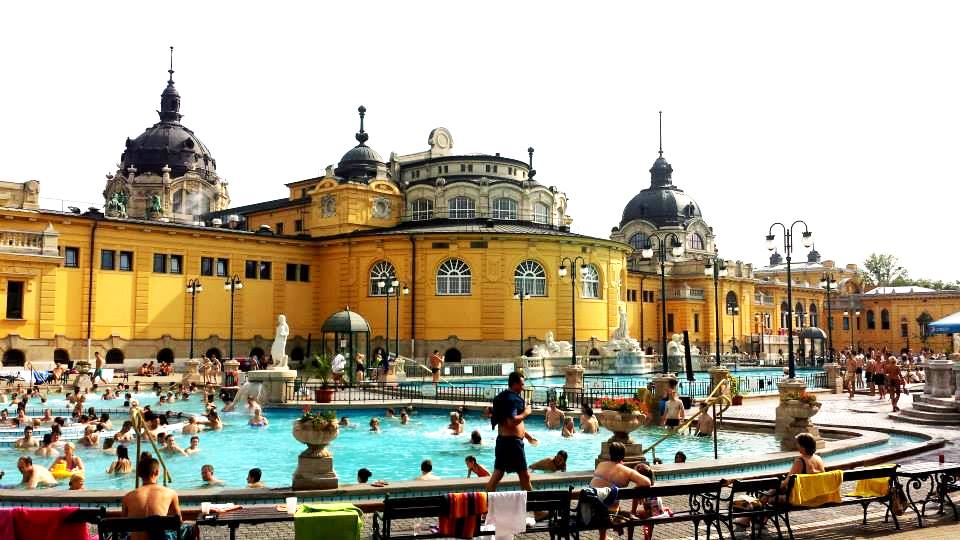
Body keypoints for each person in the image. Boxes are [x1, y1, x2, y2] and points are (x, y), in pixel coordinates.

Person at [486, 371, 537, 492]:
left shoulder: (501, 397)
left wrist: (527, 435)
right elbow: (512, 421)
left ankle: (485, 506)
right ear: (514, 384)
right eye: (521, 384)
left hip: (503, 441)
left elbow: (506, 423)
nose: (523, 388)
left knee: (497, 475)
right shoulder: (512, 399)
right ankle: (535, 509)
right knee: (525, 477)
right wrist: (527, 412)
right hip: (513, 444)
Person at [590, 442, 652, 540]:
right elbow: (647, 482)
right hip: (607, 514)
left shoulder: (600, 465)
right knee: (611, 502)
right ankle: (610, 533)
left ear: (610, 454)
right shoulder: (627, 471)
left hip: (589, 510)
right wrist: (638, 490)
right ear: (624, 455)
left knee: (604, 498)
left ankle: (603, 536)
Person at [122, 457, 184, 540]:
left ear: (139, 473)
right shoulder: (171, 493)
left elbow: (123, 526)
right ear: (157, 472)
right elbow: (178, 522)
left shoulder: (128, 497)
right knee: (190, 529)